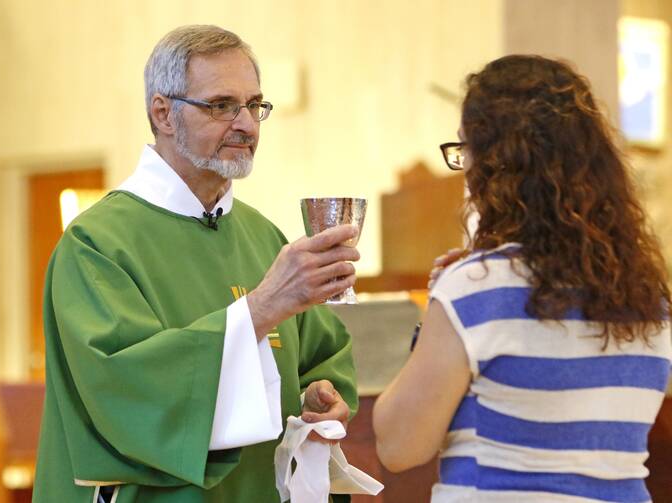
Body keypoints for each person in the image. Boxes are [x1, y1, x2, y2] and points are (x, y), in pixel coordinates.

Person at [33, 25, 361, 503]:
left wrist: (319, 396)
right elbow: (130, 389)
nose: (247, 124)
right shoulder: (97, 244)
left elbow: (319, 355)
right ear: (163, 113)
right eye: (221, 105)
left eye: (254, 105)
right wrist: (260, 307)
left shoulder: (262, 234)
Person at [373, 55, 672, 502]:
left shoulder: (478, 289)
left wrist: (442, 308)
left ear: (494, 165)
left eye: (465, 148)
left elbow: (399, 446)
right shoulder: (649, 299)